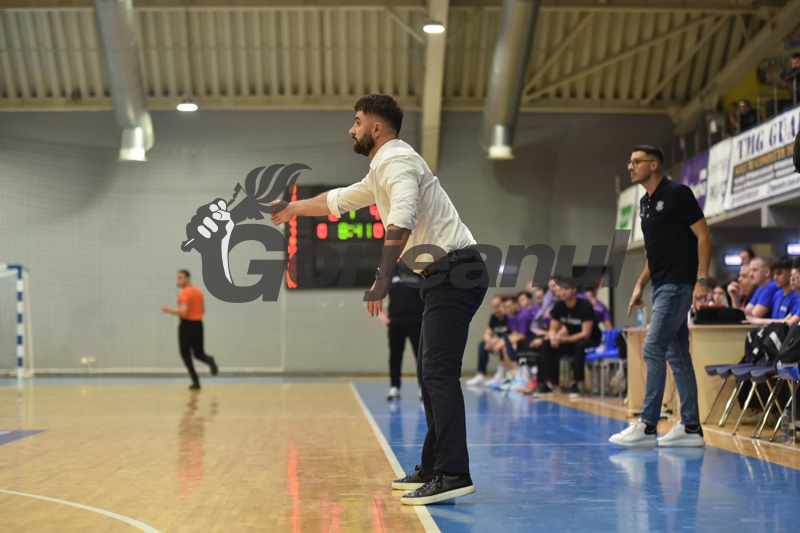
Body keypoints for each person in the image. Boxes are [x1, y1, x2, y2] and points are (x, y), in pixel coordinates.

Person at [270, 94, 487, 505]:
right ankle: (434, 465)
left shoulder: (398, 160)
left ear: (376, 128)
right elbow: (337, 200)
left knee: (438, 373)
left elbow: (402, 216)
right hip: (445, 276)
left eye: (356, 121)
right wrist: (293, 207)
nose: (351, 129)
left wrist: (382, 278)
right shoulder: (380, 169)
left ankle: (454, 473)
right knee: (429, 373)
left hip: (455, 273)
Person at [609, 145, 712, 448]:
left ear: (654, 165)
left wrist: (701, 280)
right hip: (660, 286)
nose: (630, 166)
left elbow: (705, 235)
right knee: (677, 356)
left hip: (679, 285)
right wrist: (640, 284)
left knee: (653, 348)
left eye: (636, 161)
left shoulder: (678, 194)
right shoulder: (645, 203)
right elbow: (654, 253)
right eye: (629, 161)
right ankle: (691, 427)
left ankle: (648, 426)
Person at [533, 278, 601, 398]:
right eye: (560, 290)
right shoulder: (559, 306)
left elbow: (585, 334)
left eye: (566, 289)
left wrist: (563, 339)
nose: (562, 292)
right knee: (547, 344)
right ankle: (549, 384)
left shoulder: (585, 306)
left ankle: (576, 384)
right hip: (569, 339)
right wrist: (553, 339)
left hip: (590, 340)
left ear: (574, 290)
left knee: (580, 346)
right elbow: (553, 329)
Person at [161, 270, 218, 390]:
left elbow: (183, 312)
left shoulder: (184, 293)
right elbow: (203, 310)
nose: (178, 280)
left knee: (185, 354)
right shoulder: (198, 291)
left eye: (180, 278)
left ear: (187, 278)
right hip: (198, 324)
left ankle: (196, 381)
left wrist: (168, 310)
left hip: (187, 325)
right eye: (177, 278)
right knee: (198, 353)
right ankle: (209, 360)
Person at [380, 266, 424, 400]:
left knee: (420, 356)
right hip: (396, 322)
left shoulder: (419, 270)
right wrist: (382, 315)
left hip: (417, 321)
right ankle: (394, 387)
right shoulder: (391, 271)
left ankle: (423, 388)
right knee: (395, 355)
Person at [465, 296, 508, 387]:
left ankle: (502, 373)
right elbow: (487, 334)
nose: (495, 310)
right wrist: (490, 342)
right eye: (494, 307)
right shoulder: (494, 317)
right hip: (498, 342)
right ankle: (481, 374)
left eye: (497, 306)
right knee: (482, 344)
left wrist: (499, 342)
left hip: (507, 343)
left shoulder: (509, 317)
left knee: (504, 346)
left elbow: (515, 335)